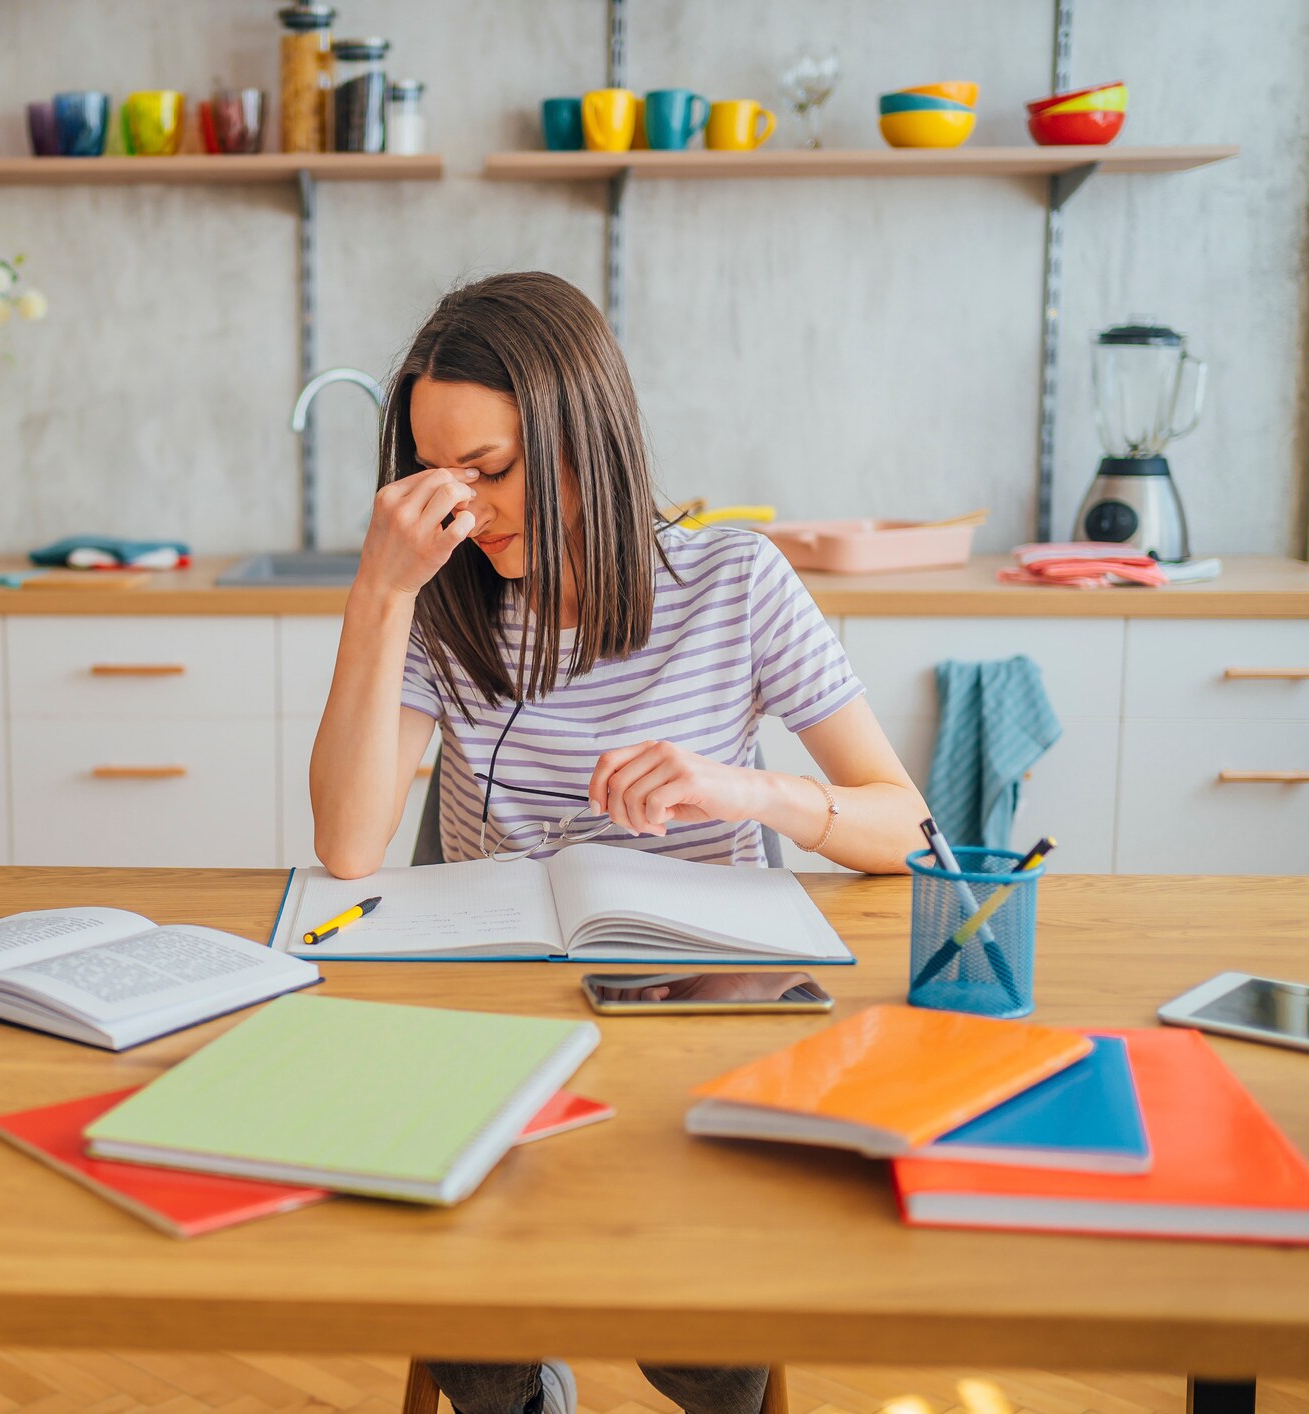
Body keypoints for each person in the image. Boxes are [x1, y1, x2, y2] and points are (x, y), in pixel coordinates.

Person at [307, 272, 928, 1414]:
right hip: (492, 1038)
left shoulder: (734, 583)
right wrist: (377, 593)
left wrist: (751, 792)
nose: (465, 507)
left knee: (704, 1339)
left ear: (581, 435)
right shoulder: (441, 603)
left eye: (489, 471)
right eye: (437, 476)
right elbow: (348, 846)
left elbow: (909, 826)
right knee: (463, 1310)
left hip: (692, 1031)